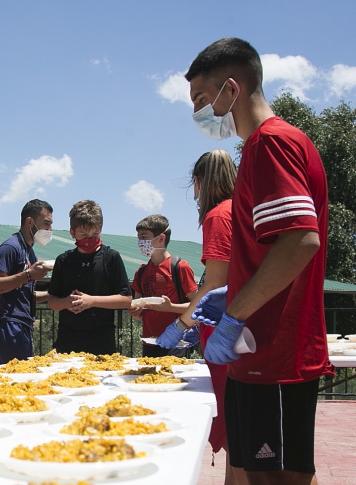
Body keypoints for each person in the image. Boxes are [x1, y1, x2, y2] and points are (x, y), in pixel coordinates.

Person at [182, 38, 332, 485]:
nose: (199, 114)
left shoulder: (271, 143)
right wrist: (236, 292)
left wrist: (234, 315)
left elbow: (300, 241)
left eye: (203, 100)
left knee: (276, 478)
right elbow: (273, 249)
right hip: (260, 353)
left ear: (233, 88)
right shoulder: (262, 148)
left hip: (274, 353)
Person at [157, 149, 246, 484]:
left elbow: (216, 282)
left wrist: (181, 324)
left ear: (199, 182)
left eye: (194, 187)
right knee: (239, 430)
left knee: (237, 430)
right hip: (236, 330)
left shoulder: (218, 216)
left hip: (229, 338)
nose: (194, 195)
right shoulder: (238, 210)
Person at [48, 200, 131, 355]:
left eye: (95, 234)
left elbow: (126, 299)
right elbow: (52, 301)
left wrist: (91, 301)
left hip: (102, 343)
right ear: (72, 232)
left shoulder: (111, 257)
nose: (90, 238)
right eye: (84, 234)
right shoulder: (63, 260)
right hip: (67, 342)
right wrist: (66, 302)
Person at [0, 199, 53, 364]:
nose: (49, 230)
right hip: (9, 323)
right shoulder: (11, 247)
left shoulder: (30, 253)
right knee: (17, 378)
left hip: (22, 323)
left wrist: (52, 294)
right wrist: (29, 275)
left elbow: (25, 294)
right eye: (46, 223)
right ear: (30, 222)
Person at [128, 214, 198, 358]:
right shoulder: (140, 272)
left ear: (161, 238)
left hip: (176, 341)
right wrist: (136, 312)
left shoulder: (179, 267)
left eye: (144, 237)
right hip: (149, 342)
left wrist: (171, 307)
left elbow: (197, 306)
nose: (140, 242)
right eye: (139, 238)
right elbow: (138, 311)